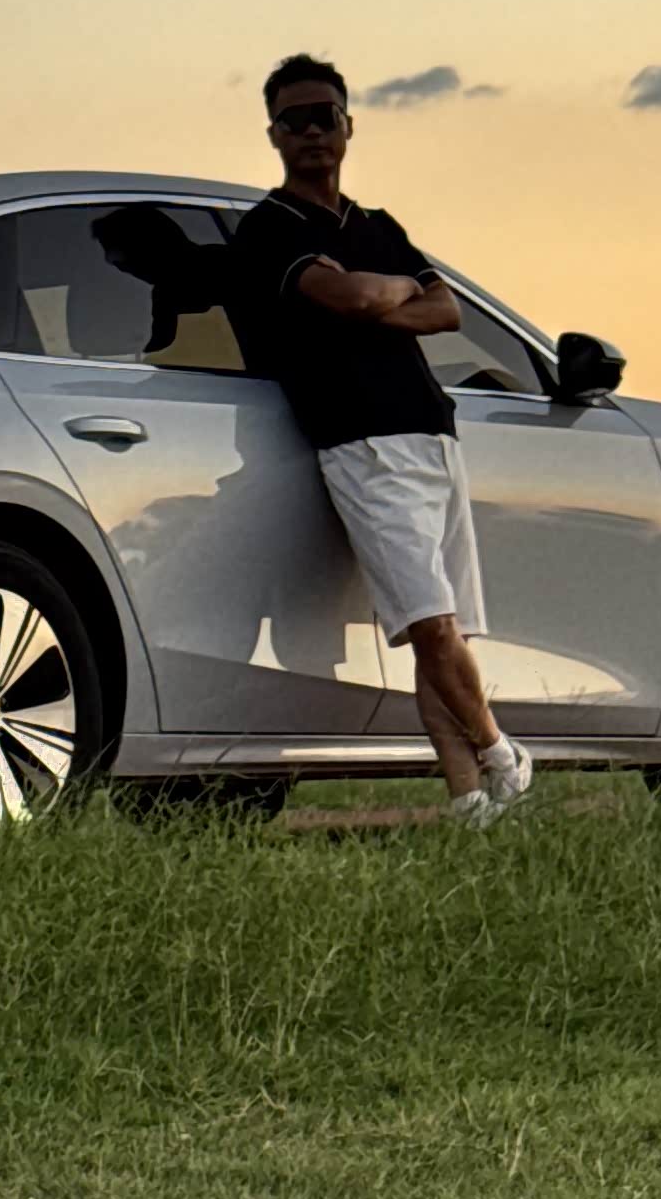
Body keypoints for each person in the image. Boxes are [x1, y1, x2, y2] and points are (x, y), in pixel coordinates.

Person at [102, 56, 532, 825]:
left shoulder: (377, 226)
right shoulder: (269, 230)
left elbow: (446, 312)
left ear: (348, 126)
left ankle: (470, 802)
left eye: (324, 116)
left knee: (444, 636)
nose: (311, 132)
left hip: (435, 436)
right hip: (362, 443)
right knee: (430, 626)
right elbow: (349, 294)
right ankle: (503, 755)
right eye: (293, 120)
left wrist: (383, 296)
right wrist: (389, 292)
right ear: (273, 134)